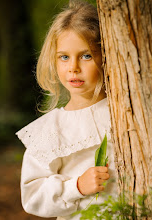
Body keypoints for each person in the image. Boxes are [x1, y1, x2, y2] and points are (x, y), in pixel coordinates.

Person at [16, 1, 118, 219]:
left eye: (86, 56)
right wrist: (77, 186)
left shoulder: (122, 111)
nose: (73, 67)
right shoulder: (50, 130)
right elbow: (32, 196)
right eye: (64, 57)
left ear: (105, 56)